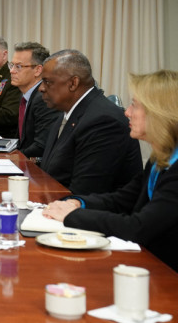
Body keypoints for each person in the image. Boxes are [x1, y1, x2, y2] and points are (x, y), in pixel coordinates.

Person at [43, 70, 178, 271]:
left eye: (135, 105)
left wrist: (72, 215)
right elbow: (121, 199)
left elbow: (138, 227)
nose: (127, 112)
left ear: (158, 114)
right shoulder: (160, 159)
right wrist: (78, 202)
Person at [39, 49, 142, 195]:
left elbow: (85, 192)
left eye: (47, 82)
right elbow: (51, 171)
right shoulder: (68, 113)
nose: (41, 88)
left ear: (73, 83)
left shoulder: (103, 121)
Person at [9, 42, 60, 158]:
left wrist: (13, 157)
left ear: (38, 70)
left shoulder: (44, 98)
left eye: (19, 66)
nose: (12, 71)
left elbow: (41, 146)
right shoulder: (25, 96)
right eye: (11, 65)